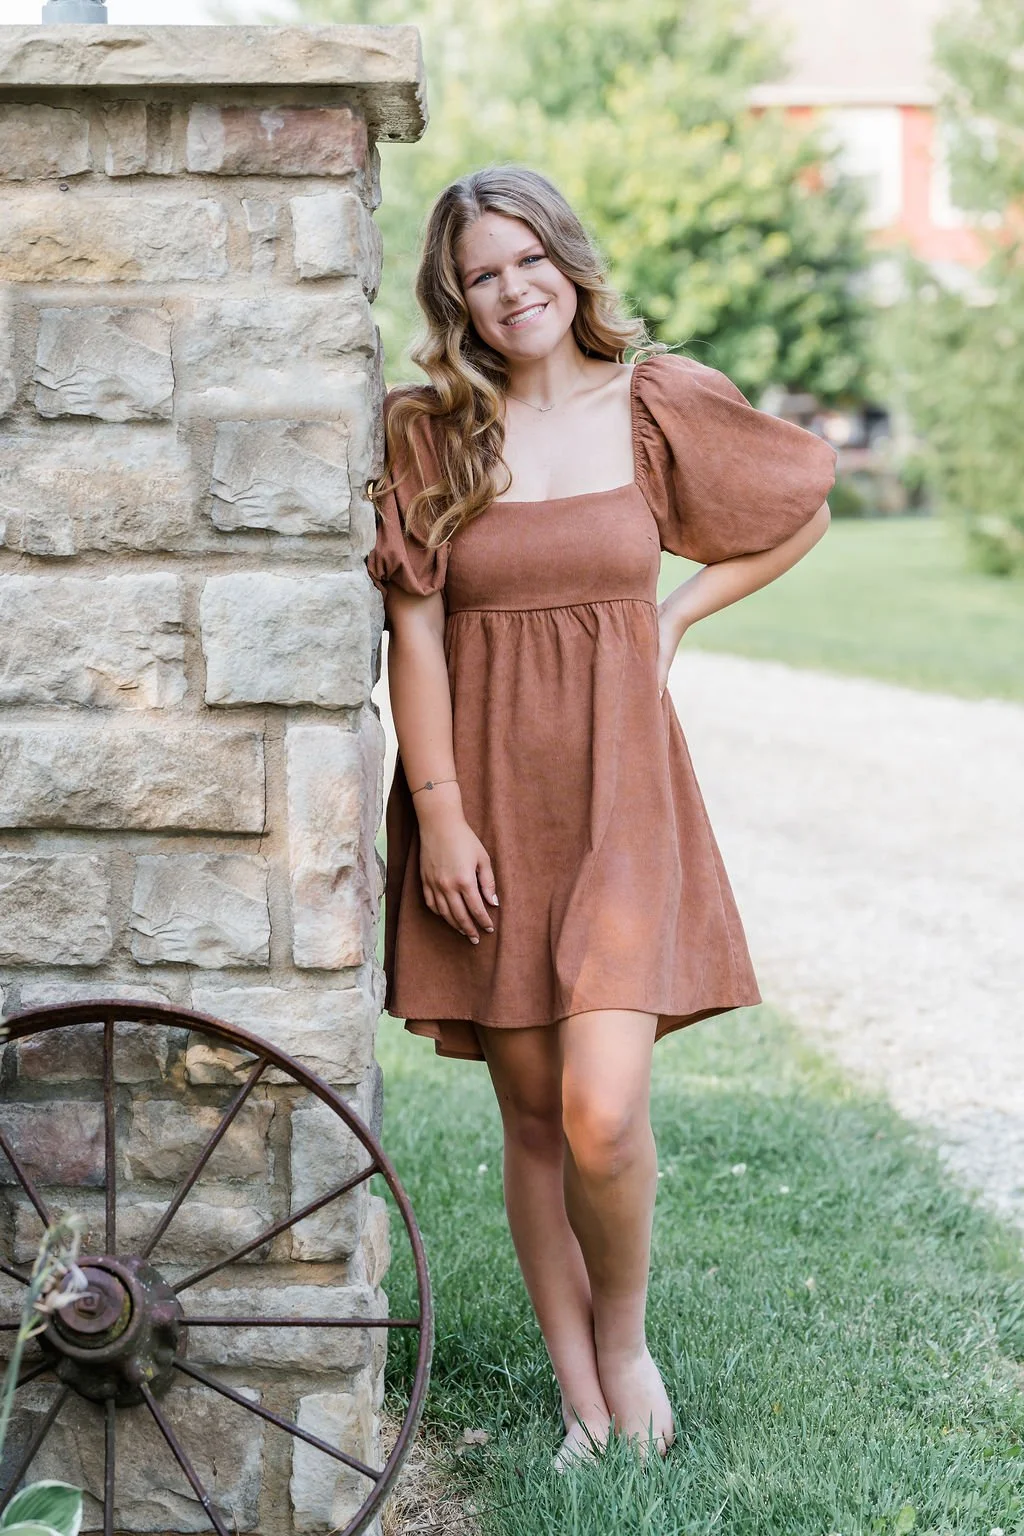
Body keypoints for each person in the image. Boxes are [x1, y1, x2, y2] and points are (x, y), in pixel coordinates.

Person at [367, 165, 836, 1469]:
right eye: (481, 274)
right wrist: (442, 814)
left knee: (603, 1112)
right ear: (453, 297)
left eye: (529, 262)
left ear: (568, 262)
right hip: (486, 798)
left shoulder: (658, 403)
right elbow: (414, 630)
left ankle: (626, 1344)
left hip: (622, 790)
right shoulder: (430, 431)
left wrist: (679, 614)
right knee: (527, 1110)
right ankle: (583, 1398)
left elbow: (804, 498)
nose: (511, 291)